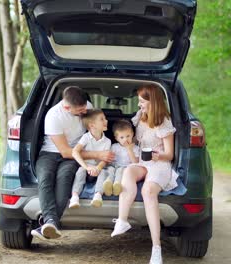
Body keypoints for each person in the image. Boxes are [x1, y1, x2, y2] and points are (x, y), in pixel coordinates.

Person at [32, 86, 114, 240]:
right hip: (51, 153)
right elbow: (64, 151)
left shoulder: (87, 106)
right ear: (66, 107)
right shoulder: (53, 116)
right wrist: (98, 154)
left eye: (85, 108)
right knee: (45, 178)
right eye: (80, 110)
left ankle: (49, 222)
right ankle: (50, 221)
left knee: (65, 177)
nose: (84, 112)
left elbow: (94, 127)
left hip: (74, 156)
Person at [111, 84, 178, 264]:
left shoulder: (164, 121)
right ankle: (123, 220)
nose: (139, 104)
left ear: (153, 102)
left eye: (142, 101)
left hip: (160, 163)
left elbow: (169, 154)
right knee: (128, 171)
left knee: (147, 191)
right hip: (142, 161)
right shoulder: (140, 116)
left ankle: (156, 249)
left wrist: (157, 155)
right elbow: (128, 132)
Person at [69, 109, 111, 208]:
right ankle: (75, 197)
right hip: (87, 167)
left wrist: (98, 168)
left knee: (104, 173)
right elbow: (75, 152)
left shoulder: (107, 141)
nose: (106, 121)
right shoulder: (86, 137)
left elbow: (105, 160)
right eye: (102, 119)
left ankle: (98, 195)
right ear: (92, 125)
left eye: (105, 118)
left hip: (99, 168)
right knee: (80, 171)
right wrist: (86, 167)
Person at [103, 119, 139, 196]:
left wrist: (129, 150)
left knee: (120, 171)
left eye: (128, 136)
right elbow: (109, 160)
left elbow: (135, 163)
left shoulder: (135, 148)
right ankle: (108, 183)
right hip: (114, 166)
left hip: (125, 168)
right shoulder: (114, 147)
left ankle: (117, 185)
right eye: (122, 137)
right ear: (116, 138)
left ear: (132, 134)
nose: (125, 139)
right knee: (110, 170)